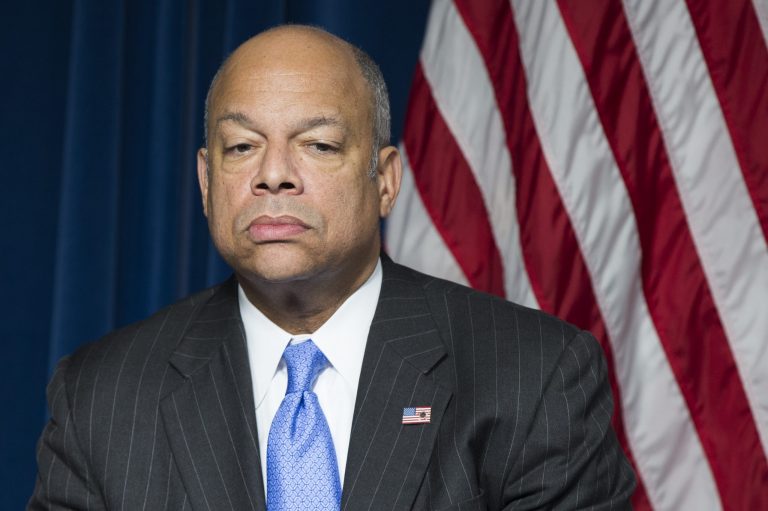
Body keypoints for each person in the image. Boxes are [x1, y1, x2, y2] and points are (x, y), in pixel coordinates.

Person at [29, 25, 635, 510]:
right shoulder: (100, 397)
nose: (274, 174)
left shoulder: (536, 374)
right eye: (241, 146)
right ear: (207, 181)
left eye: (318, 145)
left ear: (386, 181)